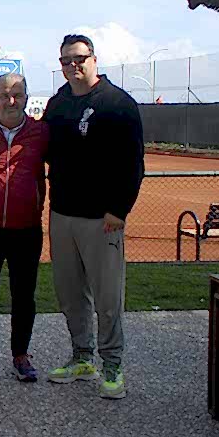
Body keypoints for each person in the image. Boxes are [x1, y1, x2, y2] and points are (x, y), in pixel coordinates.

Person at [43, 34, 144, 400]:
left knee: (107, 296)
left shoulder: (117, 103)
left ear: (94, 59)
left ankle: (112, 364)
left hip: (103, 218)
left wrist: (119, 209)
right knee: (70, 294)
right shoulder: (58, 103)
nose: (73, 65)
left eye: (79, 58)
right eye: (66, 60)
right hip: (63, 212)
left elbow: (133, 162)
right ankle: (82, 356)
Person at [0, 73, 49, 382]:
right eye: (4, 95)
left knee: (24, 295)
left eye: (17, 94)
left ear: (27, 98)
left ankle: (21, 354)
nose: (11, 100)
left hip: (26, 228)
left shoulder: (42, 132)